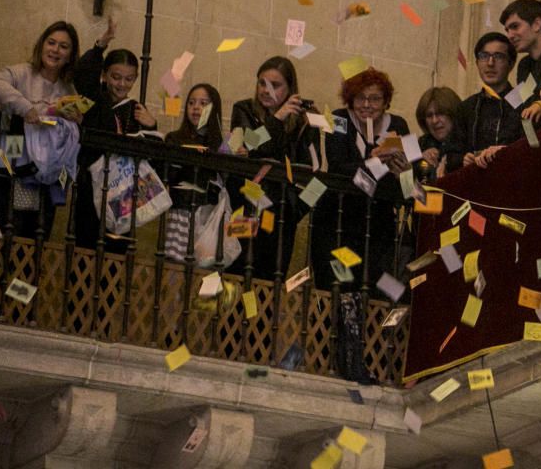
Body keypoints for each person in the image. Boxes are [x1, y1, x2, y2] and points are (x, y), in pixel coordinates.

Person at [316, 68, 412, 383]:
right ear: (350, 99)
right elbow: (339, 167)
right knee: (342, 287)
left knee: (376, 284)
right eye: (360, 98)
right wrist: (373, 162)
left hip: (379, 224)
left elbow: (409, 175)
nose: (367, 105)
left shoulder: (398, 125)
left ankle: (367, 360)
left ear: (386, 102)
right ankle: (340, 360)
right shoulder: (339, 119)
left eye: (375, 99)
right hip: (340, 222)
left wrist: (399, 167)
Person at [72, 18, 158, 250]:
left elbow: (150, 155)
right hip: (91, 184)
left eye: (129, 79)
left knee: (117, 248)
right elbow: (81, 75)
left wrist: (151, 125)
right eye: (115, 77)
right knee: (86, 244)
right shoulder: (94, 99)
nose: (121, 84)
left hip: (124, 190)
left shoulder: (136, 109)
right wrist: (101, 44)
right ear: (104, 75)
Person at [228, 57, 314, 281]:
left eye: (275, 85)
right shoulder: (244, 109)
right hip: (245, 206)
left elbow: (316, 173)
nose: (266, 90)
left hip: (281, 214)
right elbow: (250, 144)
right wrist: (277, 118)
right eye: (262, 83)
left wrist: (295, 210)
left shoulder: (305, 120)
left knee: (269, 280)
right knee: (237, 274)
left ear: (290, 88)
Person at [0, 21, 81, 239]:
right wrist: (25, 107)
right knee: (10, 225)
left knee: (37, 233)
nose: (55, 50)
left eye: (63, 46)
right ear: (42, 45)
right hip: (14, 152)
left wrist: (73, 119)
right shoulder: (22, 72)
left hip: (48, 168)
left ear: (70, 55)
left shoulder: (68, 88)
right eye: (51, 43)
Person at [163, 84, 225, 263]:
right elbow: (169, 175)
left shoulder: (220, 143)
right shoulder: (175, 138)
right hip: (181, 211)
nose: (196, 107)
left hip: (208, 215)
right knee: (175, 264)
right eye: (191, 103)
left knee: (202, 265)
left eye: (203, 103)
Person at [447, 33, 523, 171]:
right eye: (484, 56)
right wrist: (463, 159)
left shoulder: (522, 101)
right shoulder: (466, 107)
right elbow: (452, 154)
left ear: (511, 64)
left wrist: (504, 151)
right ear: (477, 63)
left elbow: (531, 144)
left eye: (498, 56)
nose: (490, 63)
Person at [414, 86, 461, 182]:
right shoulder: (421, 145)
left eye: (440, 113)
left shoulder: (465, 145)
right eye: (429, 115)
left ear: (453, 114)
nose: (434, 120)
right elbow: (410, 193)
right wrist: (403, 174)